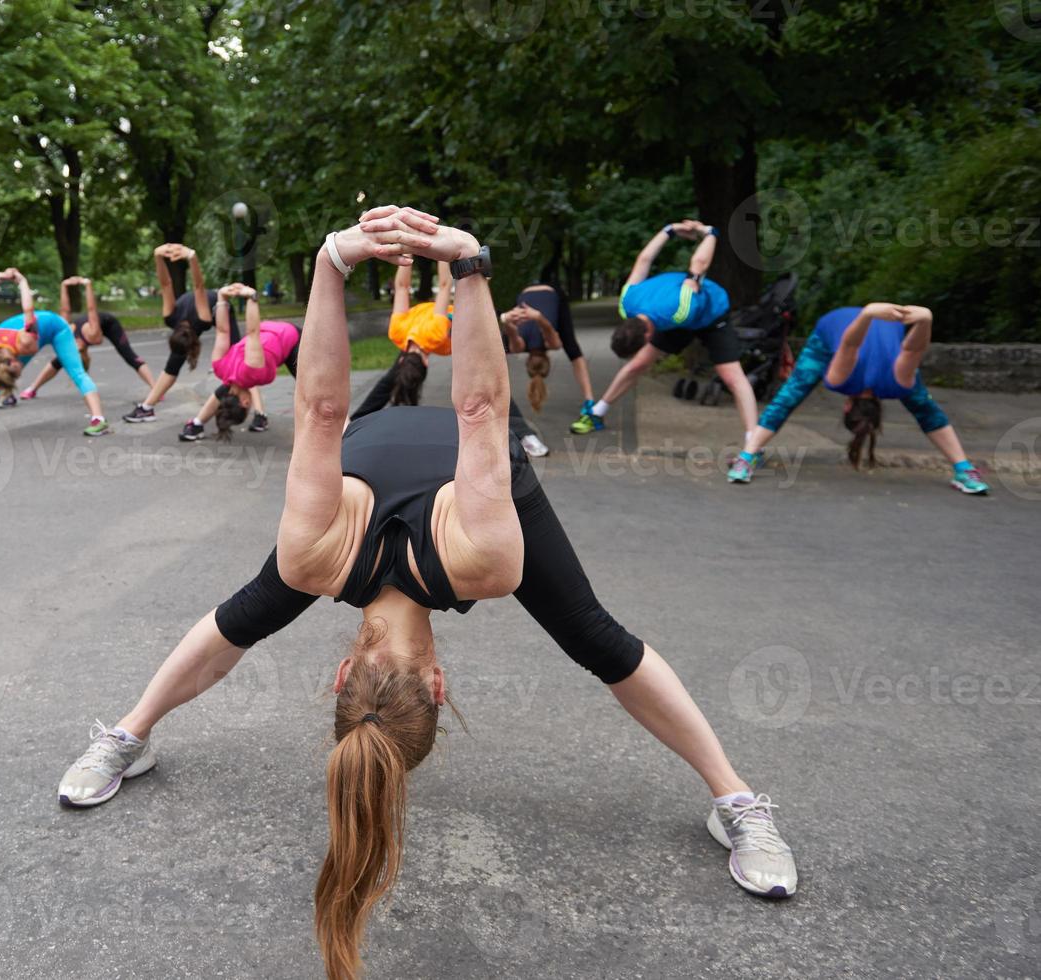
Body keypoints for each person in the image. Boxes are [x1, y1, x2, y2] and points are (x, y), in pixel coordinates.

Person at [57, 206, 797, 980]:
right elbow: (414, 410)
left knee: (256, 611)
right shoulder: (444, 556)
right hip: (443, 479)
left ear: (432, 684)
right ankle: (736, 801)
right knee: (591, 636)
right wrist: (358, 263)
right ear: (348, 676)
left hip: (398, 473)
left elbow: (395, 409)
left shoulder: (365, 560)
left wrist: (456, 264)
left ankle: (129, 736)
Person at [727, 303, 989, 493]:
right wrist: (924, 319)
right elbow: (906, 347)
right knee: (925, 409)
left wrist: (912, 319)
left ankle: (748, 456)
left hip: (843, 325)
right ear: (847, 405)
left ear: (848, 403)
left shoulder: (890, 382)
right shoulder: (894, 384)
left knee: (792, 394)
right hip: (853, 324)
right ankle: (963, 468)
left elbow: (904, 347)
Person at [570, 220, 757, 442]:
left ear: (648, 335)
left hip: (711, 315)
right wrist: (669, 230)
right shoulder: (626, 304)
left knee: (732, 376)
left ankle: (753, 442)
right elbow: (644, 260)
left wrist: (709, 232)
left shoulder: (680, 310)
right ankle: (597, 413)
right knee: (638, 364)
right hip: (667, 318)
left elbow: (698, 265)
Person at [353, 261, 551, 457]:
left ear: (426, 363)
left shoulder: (435, 335)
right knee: (482, 381)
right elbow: (405, 287)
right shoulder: (396, 332)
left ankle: (354, 422)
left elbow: (444, 286)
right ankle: (525, 435)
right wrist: (408, 253)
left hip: (461, 324)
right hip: (458, 325)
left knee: (394, 381)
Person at [122, 243, 264, 425]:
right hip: (198, 308)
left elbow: (198, 286)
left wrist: (191, 256)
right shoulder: (170, 317)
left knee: (242, 362)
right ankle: (146, 408)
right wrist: (158, 256)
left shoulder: (201, 317)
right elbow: (166, 285)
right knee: (172, 366)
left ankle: (260, 413)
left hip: (219, 306)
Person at [0, 269, 109, 435]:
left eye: (17, 372)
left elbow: (28, 309)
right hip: (27, 337)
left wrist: (22, 281)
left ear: (14, 362)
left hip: (57, 328)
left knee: (77, 373)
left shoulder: (26, 342)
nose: (20, 374)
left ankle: (99, 420)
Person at [178, 283, 300, 441]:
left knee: (310, 390)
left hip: (291, 338)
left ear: (245, 402)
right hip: (269, 331)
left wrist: (252, 297)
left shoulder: (254, 371)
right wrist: (221, 297)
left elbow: (252, 332)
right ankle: (197, 423)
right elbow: (222, 331)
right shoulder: (219, 368)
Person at [17, 275, 155, 403]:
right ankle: (33, 389)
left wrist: (65, 286)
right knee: (61, 358)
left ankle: (155, 389)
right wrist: (85, 285)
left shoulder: (71, 333)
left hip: (109, 324)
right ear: (82, 353)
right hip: (95, 324)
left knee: (129, 356)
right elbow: (90, 311)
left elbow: (70, 310)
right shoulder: (92, 335)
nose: (72, 347)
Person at [500, 281, 595, 422]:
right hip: (526, 292)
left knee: (572, 349)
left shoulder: (551, 345)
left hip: (548, 292)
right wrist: (506, 319)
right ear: (527, 362)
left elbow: (547, 328)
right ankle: (589, 401)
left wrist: (507, 319)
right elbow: (513, 332)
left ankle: (590, 400)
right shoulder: (519, 347)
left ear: (549, 360)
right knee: (501, 350)